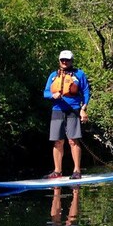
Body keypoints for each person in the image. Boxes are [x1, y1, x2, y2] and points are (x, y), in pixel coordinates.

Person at [43, 50, 91, 179]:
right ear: (59, 61)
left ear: (71, 61)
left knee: (72, 140)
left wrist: (83, 109)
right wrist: (53, 95)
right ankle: (57, 171)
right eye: (62, 60)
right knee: (57, 141)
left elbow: (86, 92)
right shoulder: (53, 75)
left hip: (73, 110)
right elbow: (46, 93)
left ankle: (77, 171)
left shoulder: (79, 74)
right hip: (57, 110)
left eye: (67, 60)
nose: (64, 62)